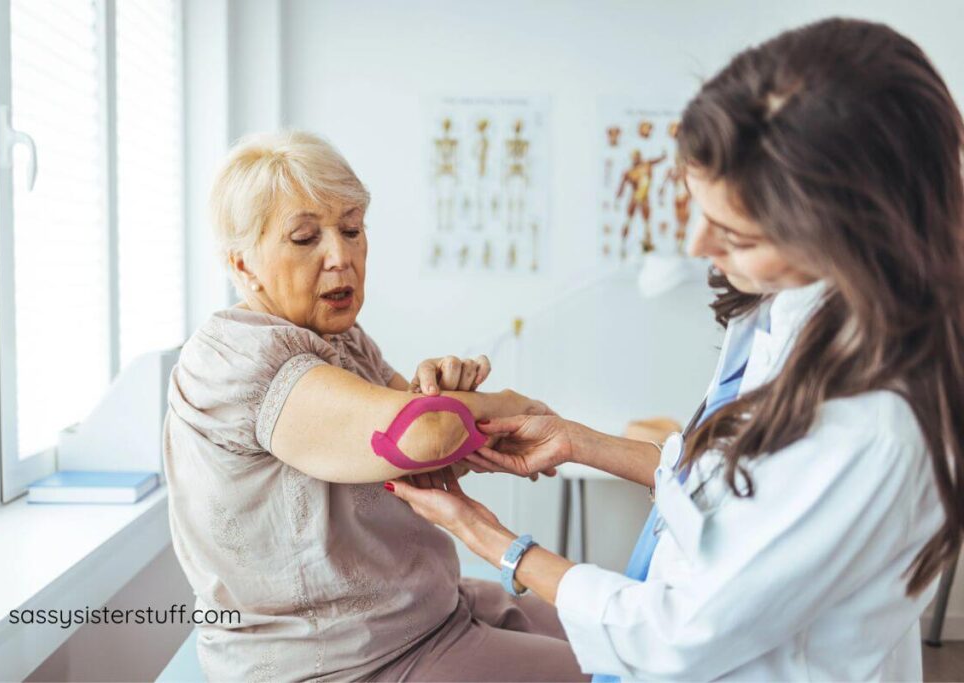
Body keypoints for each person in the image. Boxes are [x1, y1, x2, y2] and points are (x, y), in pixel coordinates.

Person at [389, 18, 964, 681]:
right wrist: (577, 440)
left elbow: (677, 630)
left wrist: (486, 535)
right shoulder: (787, 304)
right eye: (696, 208)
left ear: (853, 228)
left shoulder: (872, 424)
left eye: (735, 232)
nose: (697, 246)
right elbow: (724, 490)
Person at [163, 130, 586, 681]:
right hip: (350, 660)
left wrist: (445, 394)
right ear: (243, 265)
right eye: (304, 238)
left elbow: (424, 448)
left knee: (616, 632)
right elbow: (424, 434)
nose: (340, 257)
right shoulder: (236, 358)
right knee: (624, 672)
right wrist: (502, 405)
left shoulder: (341, 337)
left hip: (425, 608)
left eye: (351, 229)